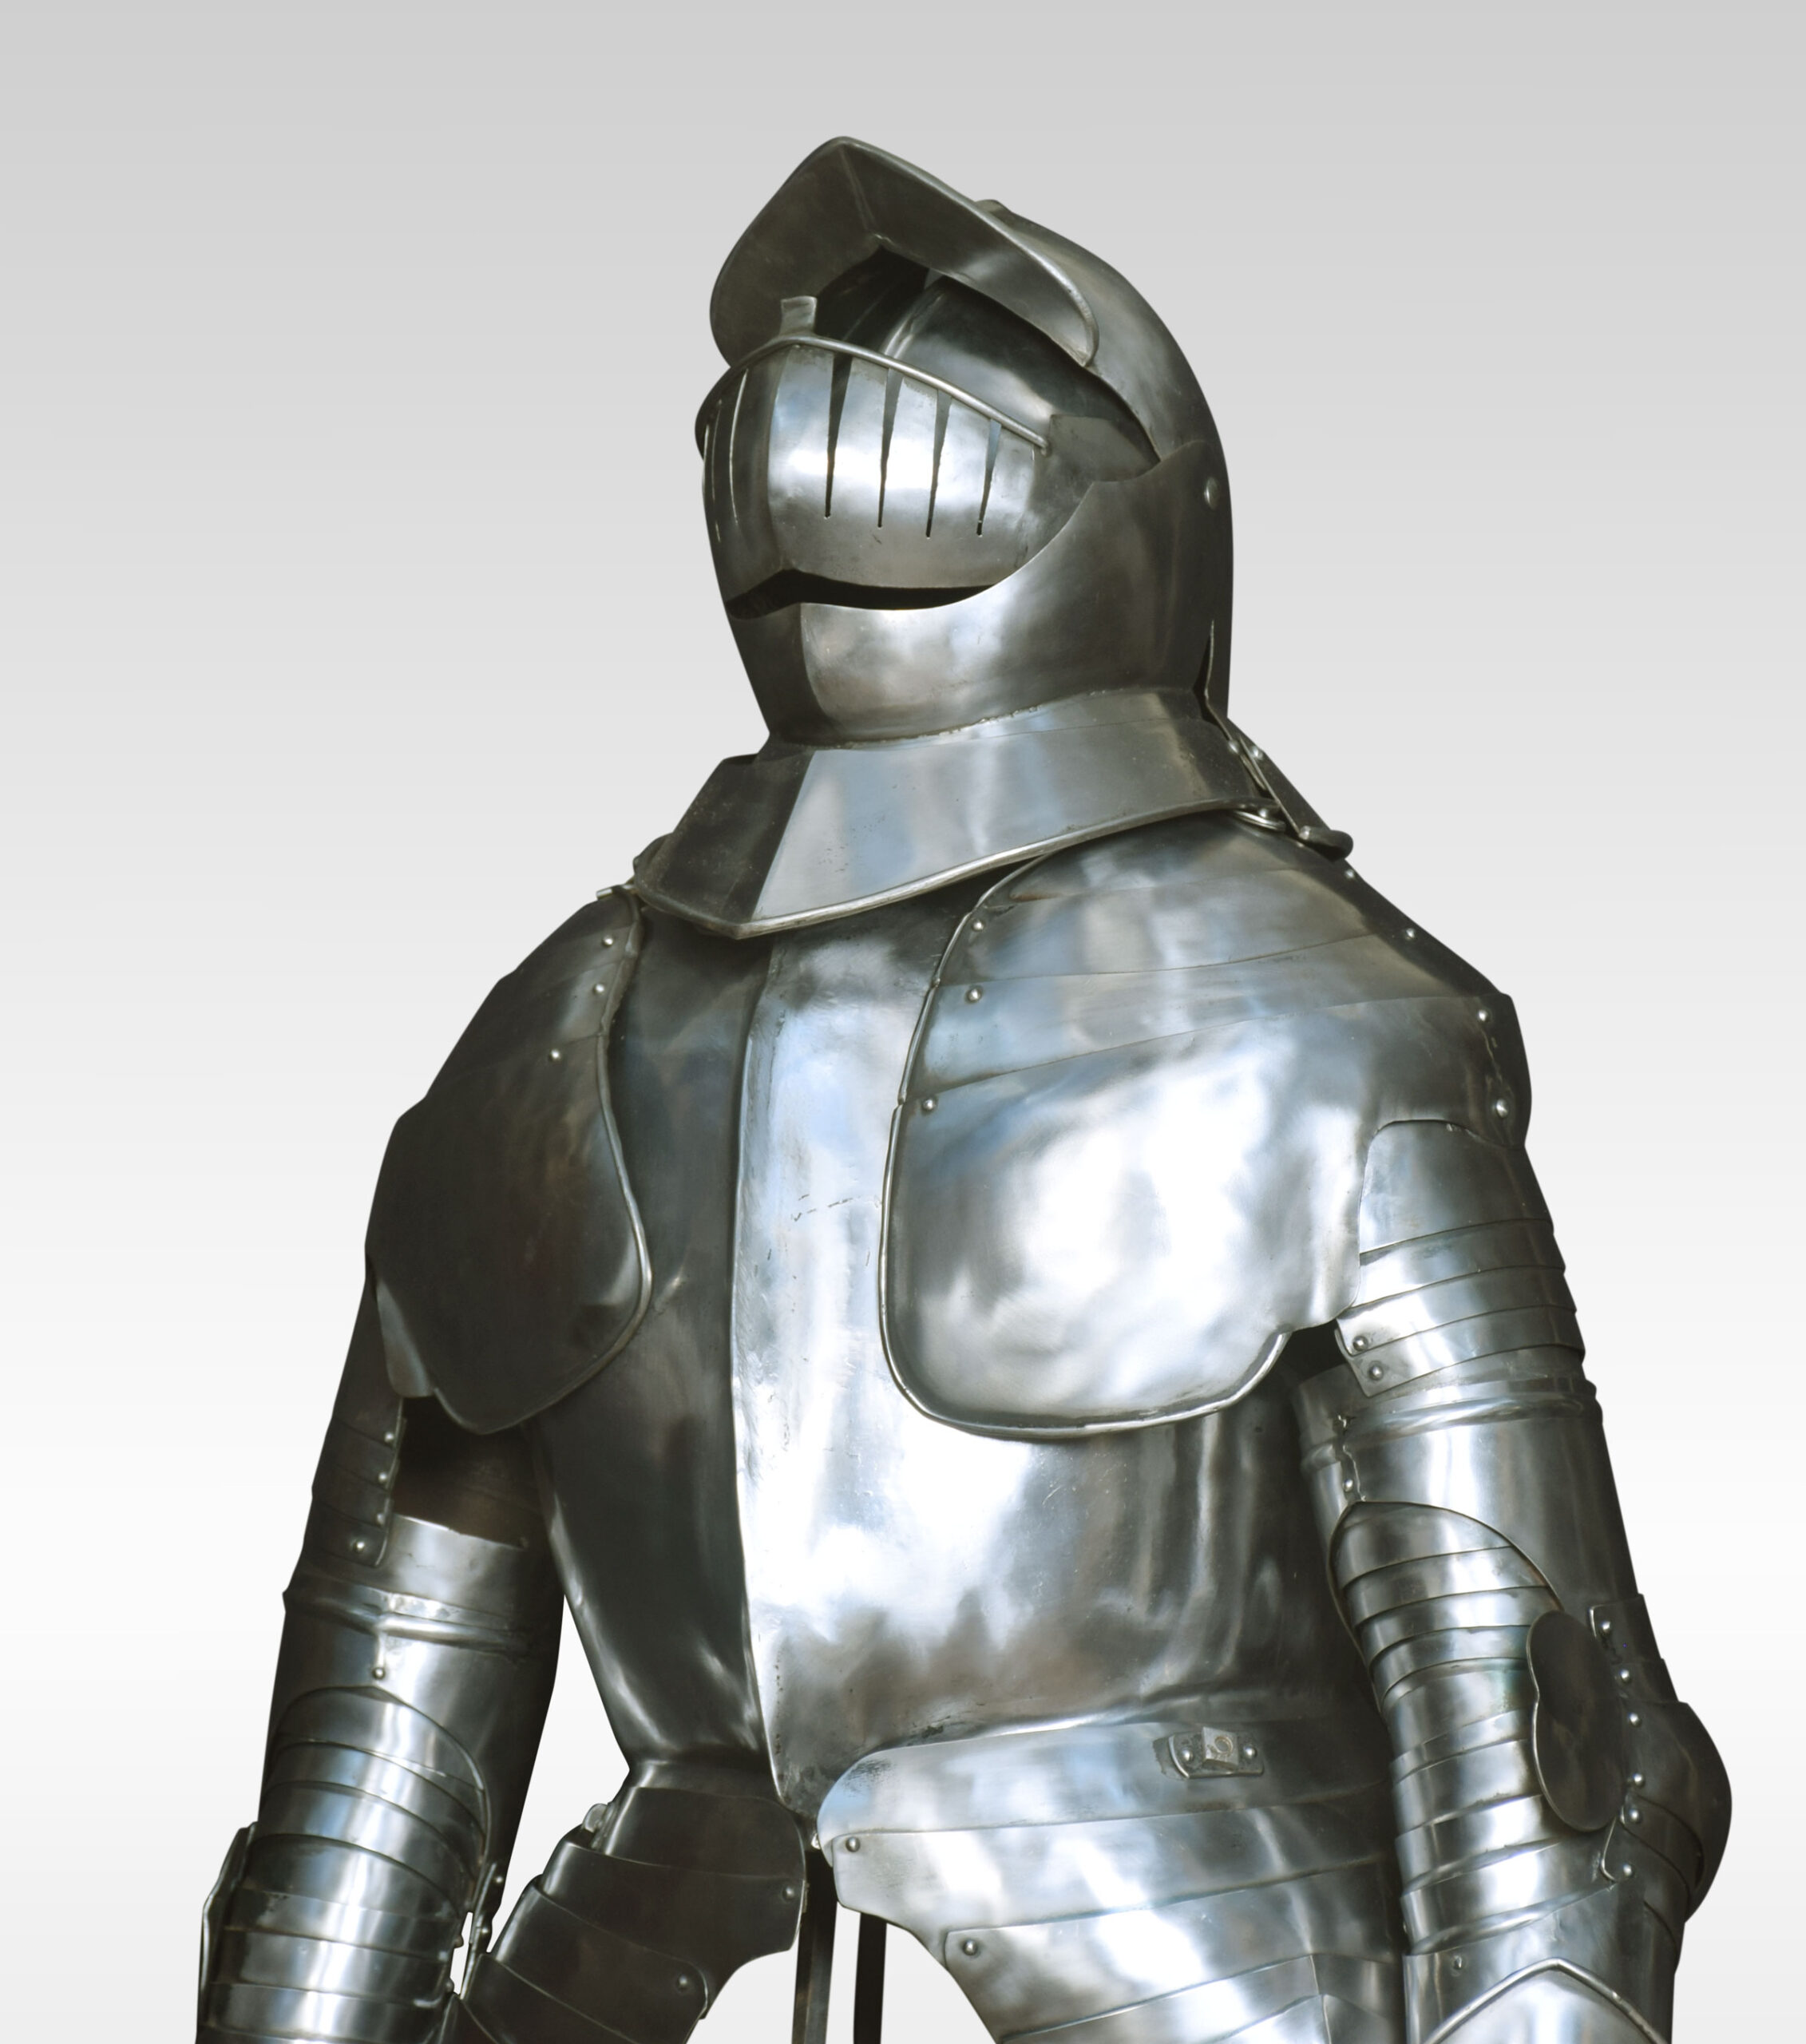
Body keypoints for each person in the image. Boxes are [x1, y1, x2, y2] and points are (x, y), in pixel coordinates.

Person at [198, 138, 1728, 2044]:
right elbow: (1551, 1762)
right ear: (1147, 531)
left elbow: (363, 1824)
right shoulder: (1326, 1005)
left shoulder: (546, 1035)